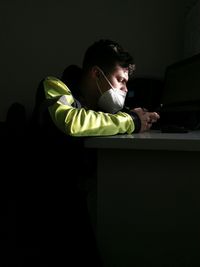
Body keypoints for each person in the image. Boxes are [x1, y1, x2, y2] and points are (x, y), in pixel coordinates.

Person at [28, 39, 160, 266]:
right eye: (120, 80)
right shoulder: (54, 85)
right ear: (96, 75)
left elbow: (101, 121)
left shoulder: (99, 109)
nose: (125, 90)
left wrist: (135, 117)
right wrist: (130, 121)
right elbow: (70, 121)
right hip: (51, 201)